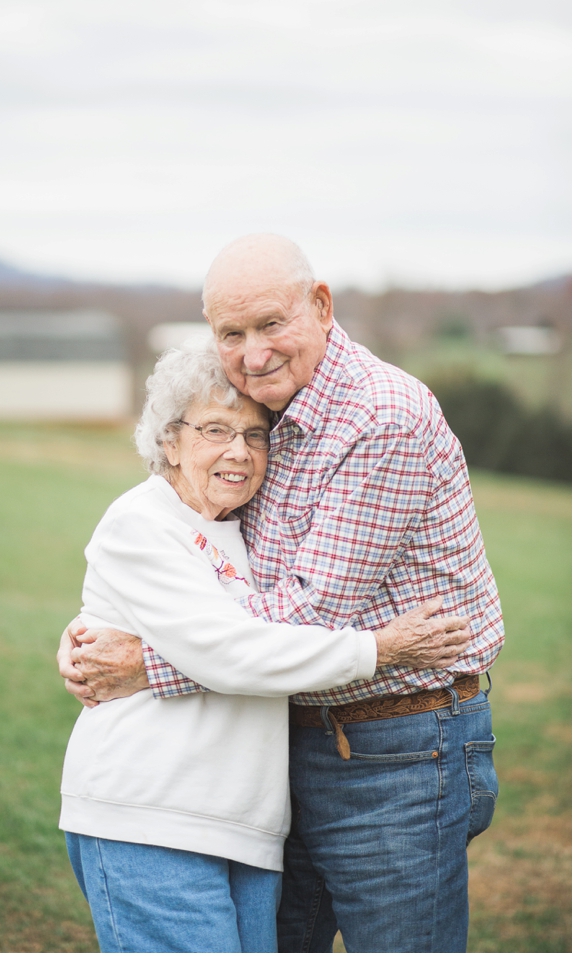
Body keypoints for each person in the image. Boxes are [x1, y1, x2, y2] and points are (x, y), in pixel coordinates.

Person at [59, 233, 505, 954]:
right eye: (230, 333)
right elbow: (194, 574)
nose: (252, 352)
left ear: (321, 306)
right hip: (285, 748)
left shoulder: (379, 418)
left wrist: (149, 663)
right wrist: (97, 620)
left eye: (270, 325)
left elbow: (305, 616)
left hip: (396, 750)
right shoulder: (271, 416)